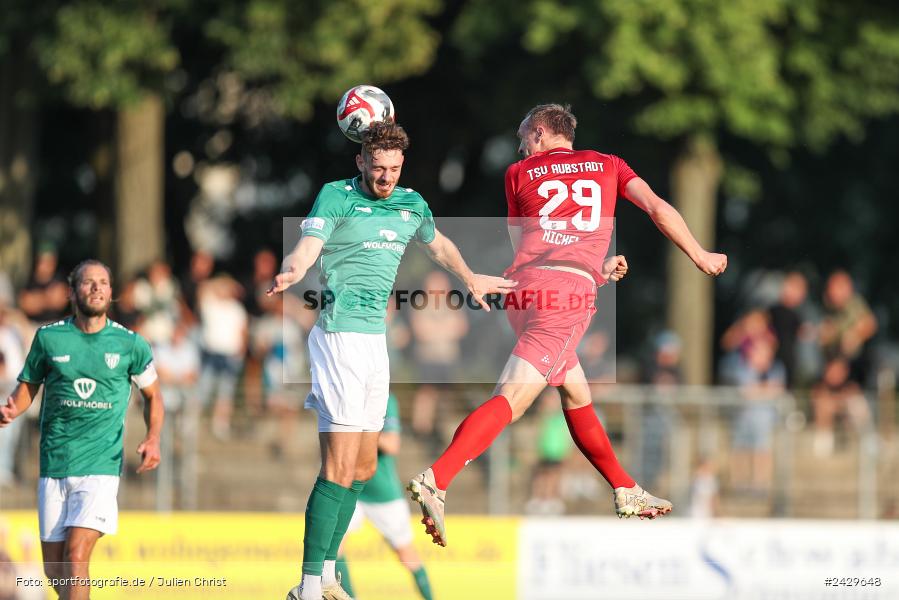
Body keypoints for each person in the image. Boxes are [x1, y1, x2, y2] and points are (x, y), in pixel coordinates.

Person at [409, 103, 727, 547]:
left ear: (540, 133)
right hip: (565, 297)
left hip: (523, 293)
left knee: (576, 391)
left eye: (523, 137)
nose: (521, 147)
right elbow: (657, 207)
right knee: (512, 399)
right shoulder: (609, 165)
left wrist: (593, 269)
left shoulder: (518, 174)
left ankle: (625, 487)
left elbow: (525, 246)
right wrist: (700, 254)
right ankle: (437, 480)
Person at [268, 121, 514, 600]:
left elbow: (439, 245)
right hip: (339, 339)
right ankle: (309, 585)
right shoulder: (336, 196)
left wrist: (469, 277)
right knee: (338, 467)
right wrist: (293, 269)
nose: (386, 177)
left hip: (374, 345)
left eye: (394, 169)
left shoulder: (411, 204)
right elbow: (308, 246)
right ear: (360, 160)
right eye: (378, 167)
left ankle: (329, 576)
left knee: (363, 469)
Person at [0, 260, 163, 600]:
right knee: (56, 572)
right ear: (73, 292)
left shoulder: (130, 344)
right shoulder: (49, 338)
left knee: (76, 557)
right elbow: (28, 387)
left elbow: (153, 395)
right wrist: (12, 408)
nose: (96, 287)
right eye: (88, 282)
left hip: (100, 467)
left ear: (111, 292)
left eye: (103, 282)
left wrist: (152, 437)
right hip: (55, 464)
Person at [337, 394, 434, 600]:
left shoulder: (384, 399)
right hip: (350, 488)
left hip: (382, 494)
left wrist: (359, 427)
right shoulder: (346, 395)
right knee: (334, 546)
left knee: (406, 554)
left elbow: (392, 444)